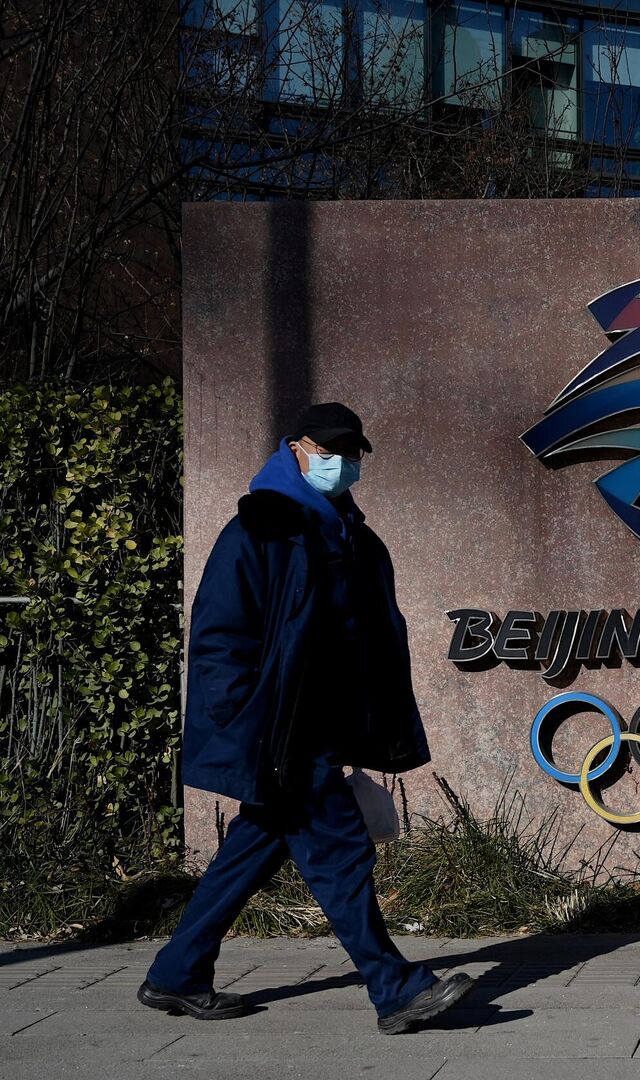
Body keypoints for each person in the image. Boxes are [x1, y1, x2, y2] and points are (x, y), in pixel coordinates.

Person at [139, 403, 473, 1035]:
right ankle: (396, 987)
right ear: (294, 447)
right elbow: (217, 636)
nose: (341, 462)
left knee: (254, 847)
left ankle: (176, 974)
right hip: (280, 730)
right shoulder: (258, 530)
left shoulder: (349, 532)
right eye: (329, 449)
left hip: (321, 724)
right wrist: (245, 720)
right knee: (341, 853)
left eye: (351, 453)